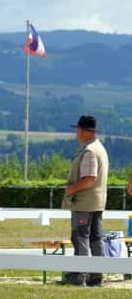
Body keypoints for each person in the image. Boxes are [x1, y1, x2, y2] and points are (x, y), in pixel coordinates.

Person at [60, 115, 109, 287]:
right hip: (96, 201)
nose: (76, 133)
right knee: (96, 238)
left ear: (83, 131)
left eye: (78, 130)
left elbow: (89, 178)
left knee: (80, 236)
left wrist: (71, 189)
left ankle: (80, 275)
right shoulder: (99, 148)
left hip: (84, 202)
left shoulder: (89, 151)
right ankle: (96, 275)